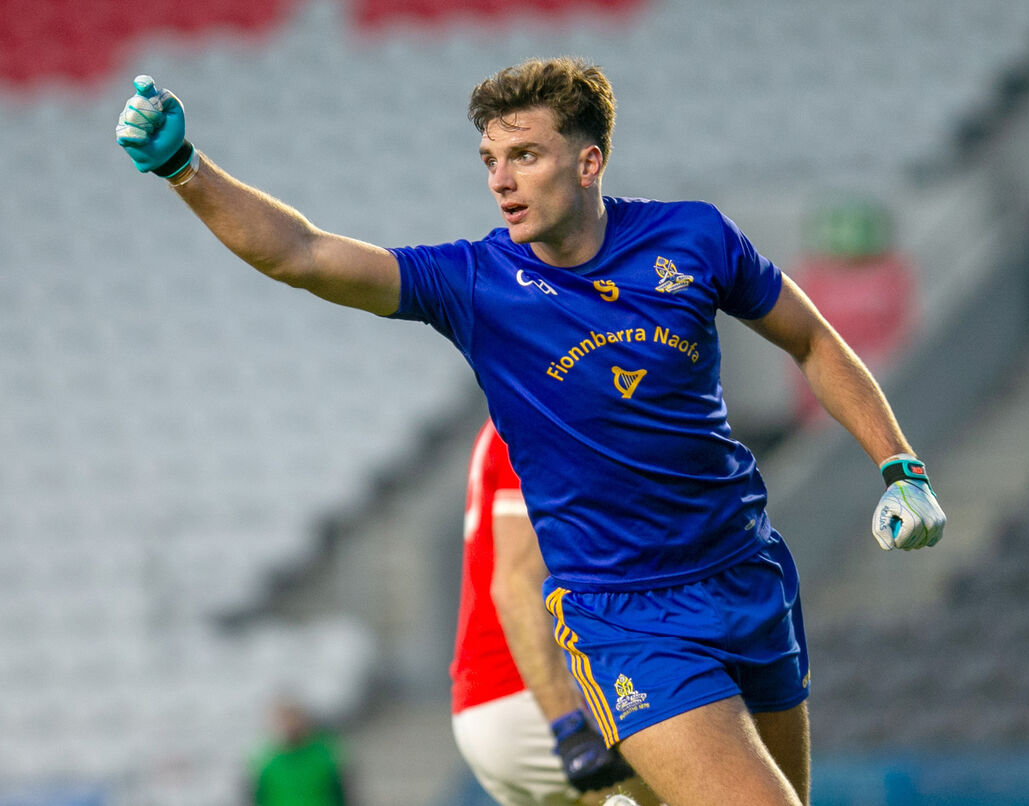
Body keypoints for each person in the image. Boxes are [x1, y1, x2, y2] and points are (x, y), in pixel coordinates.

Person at [116, 57, 945, 806]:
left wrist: (899, 465)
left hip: (750, 574)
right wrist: (185, 170)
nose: (501, 181)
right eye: (489, 162)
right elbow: (300, 252)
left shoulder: (692, 238)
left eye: (525, 156)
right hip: (627, 619)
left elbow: (811, 341)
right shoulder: (474, 282)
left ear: (588, 163)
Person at [451, 419, 658, 805]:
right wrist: (569, 727)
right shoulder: (540, 414)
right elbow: (515, 584)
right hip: (533, 696)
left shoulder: (518, 415)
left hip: (497, 700)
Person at [248, 696, 351, 806]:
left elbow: (340, 793)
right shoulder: (266, 764)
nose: (289, 726)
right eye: (283, 720)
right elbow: (261, 799)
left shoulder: (325, 754)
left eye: (293, 718)